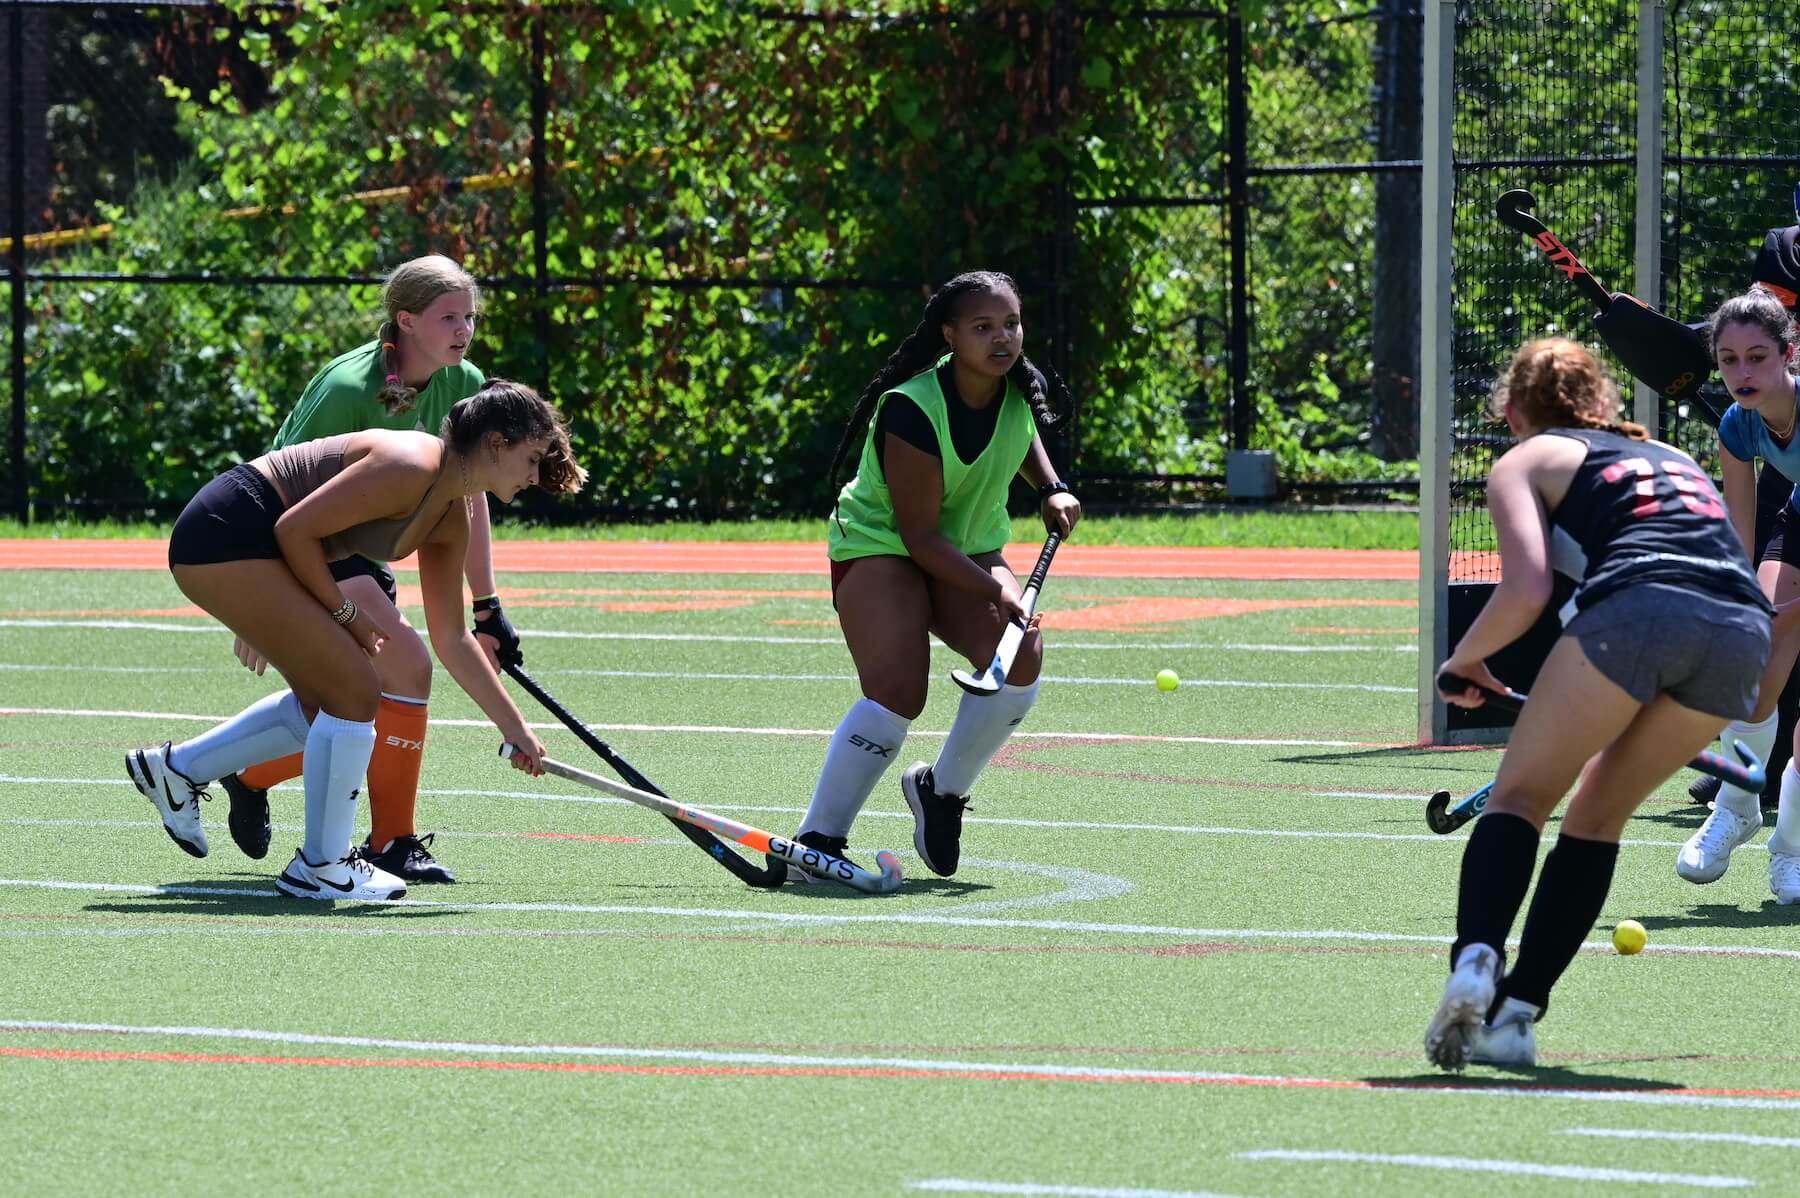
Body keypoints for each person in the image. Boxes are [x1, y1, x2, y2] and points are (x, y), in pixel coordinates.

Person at [1425, 338, 1772, 1071]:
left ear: (1514, 412)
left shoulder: (1526, 457)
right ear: (1603, 405)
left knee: (1518, 800)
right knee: (1596, 819)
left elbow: (1525, 589)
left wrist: (1465, 661)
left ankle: (1477, 959)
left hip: (1637, 613)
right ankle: (1515, 1016)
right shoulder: (1672, 457)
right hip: (1741, 633)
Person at [125, 381, 586, 901]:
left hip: (260, 537)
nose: (533, 476)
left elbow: (453, 638)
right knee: (357, 690)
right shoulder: (411, 466)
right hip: (227, 529)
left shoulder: (453, 515)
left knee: (327, 700)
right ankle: (322, 865)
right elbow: (293, 530)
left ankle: (176, 769)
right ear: (496, 443)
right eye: (530, 459)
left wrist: (515, 729)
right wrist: (346, 613)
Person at [217, 255, 517, 885]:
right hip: (298, 537)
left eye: (470, 316)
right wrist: (262, 602)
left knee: (346, 700)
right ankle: (391, 841)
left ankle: (242, 773)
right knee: (403, 667)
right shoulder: (347, 389)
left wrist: (487, 603)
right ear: (405, 321)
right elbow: (276, 490)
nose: (464, 329)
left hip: (367, 545)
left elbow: (472, 493)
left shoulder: (464, 380)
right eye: (448, 317)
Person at [786, 270, 1081, 881]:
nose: (1002, 339)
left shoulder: (1016, 388)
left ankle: (941, 792)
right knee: (899, 692)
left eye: (1011, 324)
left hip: (964, 545)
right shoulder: (912, 409)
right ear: (950, 335)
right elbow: (919, 538)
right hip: (882, 543)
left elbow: (1018, 432)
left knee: (1020, 652)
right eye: (983, 327)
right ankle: (819, 838)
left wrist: (1050, 488)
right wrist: (997, 588)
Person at [1674, 290, 1800, 904]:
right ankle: (1738, 806)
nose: (1742, 373)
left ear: (1787, 355)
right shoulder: (1737, 424)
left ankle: (1792, 852)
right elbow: (1742, 528)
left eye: (1757, 357)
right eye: (1728, 360)